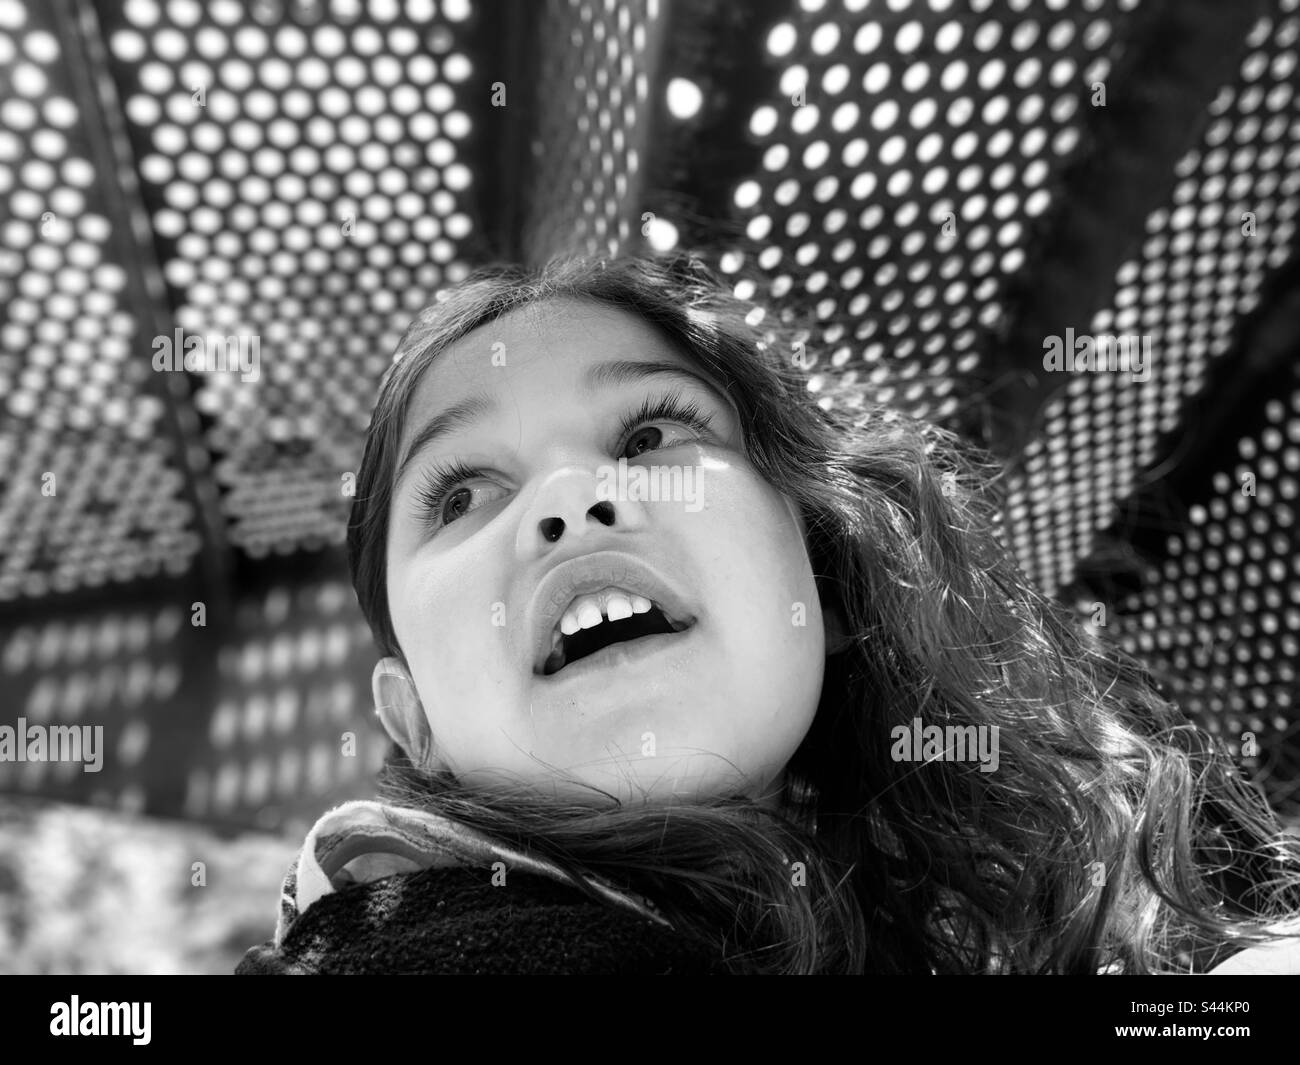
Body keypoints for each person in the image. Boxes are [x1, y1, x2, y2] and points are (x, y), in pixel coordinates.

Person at [237, 253, 1300, 974]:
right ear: (411, 721)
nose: (568, 499)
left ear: (827, 585)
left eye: (650, 436)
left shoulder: (956, 908)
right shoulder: (410, 940)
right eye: (460, 492)